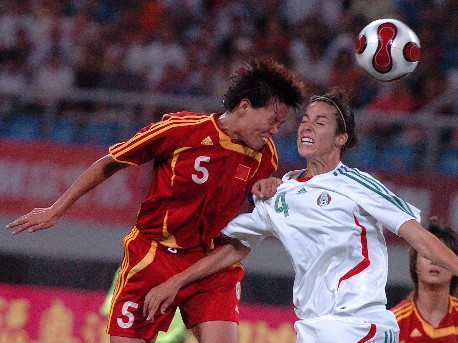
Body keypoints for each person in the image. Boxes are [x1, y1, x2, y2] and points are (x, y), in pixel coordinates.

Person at [142, 88, 458, 343]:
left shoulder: (358, 184)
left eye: (320, 122)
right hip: (311, 327)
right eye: (305, 120)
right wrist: (175, 281)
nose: (306, 128)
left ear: (341, 138)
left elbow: (415, 233)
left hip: (359, 325)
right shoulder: (281, 194)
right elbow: (234, 248)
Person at [5, 58, 306, 343]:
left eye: (280, 124)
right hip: (152, 256)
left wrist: (270, 190)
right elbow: (109, 163)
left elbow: (253, 224)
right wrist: (56, 210)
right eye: (272, 120)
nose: (275, 131)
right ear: (244, 106)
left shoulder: (265, 157)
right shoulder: (181, 130)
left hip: (209, 264)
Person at [391, 217, 458, 342]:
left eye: (440, 257)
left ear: (455, 267)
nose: (433, 261)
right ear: (414, 265)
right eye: (427, 255)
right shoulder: (394, 322)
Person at [101, 268, 188, 343]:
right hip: (138, 336)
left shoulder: (183, 270)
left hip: (175, 337)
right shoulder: (131, 267)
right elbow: (111, 308)